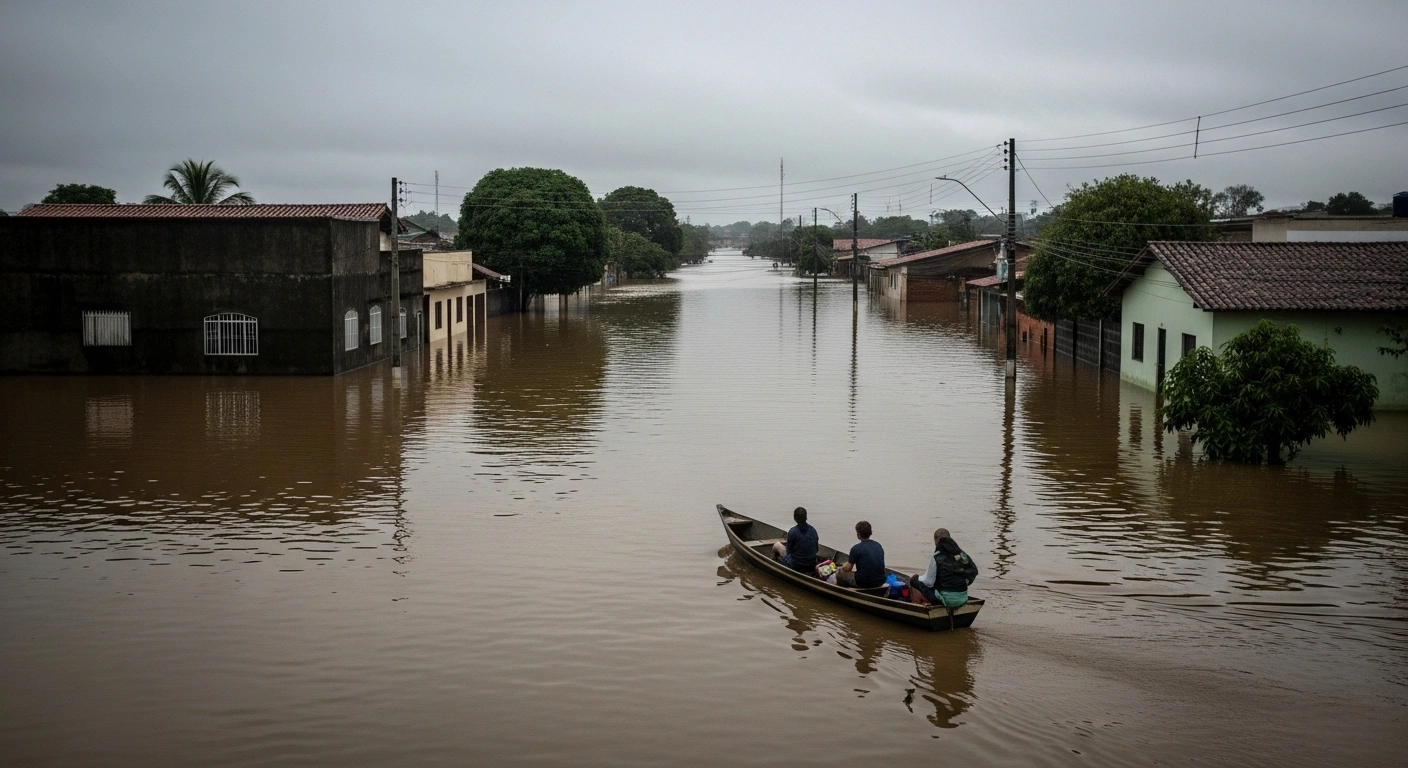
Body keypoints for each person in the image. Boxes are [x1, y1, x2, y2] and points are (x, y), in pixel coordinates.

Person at [910, 528, 978, 608]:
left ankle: (918, 603)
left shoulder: (937, 557)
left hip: (946, 600)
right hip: (963, 598)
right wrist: (964, 584)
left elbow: (929, 582)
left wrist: (917, 579)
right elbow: (974, 572)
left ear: (936, 540)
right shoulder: (962, 554)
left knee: (914, 580)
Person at [832, 520, 886, 589]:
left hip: (863, 582)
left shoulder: (856, 548)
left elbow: (848, 568)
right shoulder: (878, 545)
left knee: (839, 572)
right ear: (870, 533)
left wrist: (842, 567)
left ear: (858, 534)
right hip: (881, 581)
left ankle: (842, 589)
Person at [772, 506, 819, 575]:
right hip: (811, 565)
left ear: (795, 518)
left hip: (796, 566)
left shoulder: (792, 531)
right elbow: (816, 550)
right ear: (806, 518)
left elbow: (788, 551)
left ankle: (773, 560)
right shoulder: (813, 530)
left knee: (777, 545)